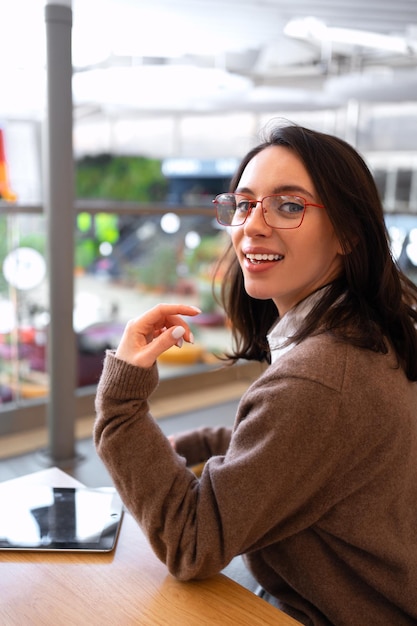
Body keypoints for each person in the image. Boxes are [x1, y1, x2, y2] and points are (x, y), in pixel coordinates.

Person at [94, 123, 417, 625]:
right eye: (243, 204)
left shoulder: (318, 379)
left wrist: (120, 406)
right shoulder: (372, 331)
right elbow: (319, 452)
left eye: (289, 206)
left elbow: (190, 543)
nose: (252, 225)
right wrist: (209, 443)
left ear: (349, 233)